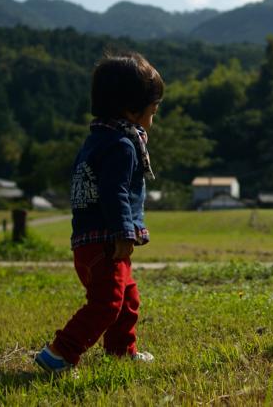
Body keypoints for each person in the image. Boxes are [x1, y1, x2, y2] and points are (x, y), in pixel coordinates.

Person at [35, 52, 163, 373]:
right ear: (131, 110)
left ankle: (120, 351)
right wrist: (123, 233)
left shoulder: (97, 139)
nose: (153, 118)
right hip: (106, 241)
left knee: (127, 298)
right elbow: (113, 192)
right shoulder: (122, 145)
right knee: (107, 303)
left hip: (87, 241)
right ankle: (59, 354)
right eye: (153, 111)